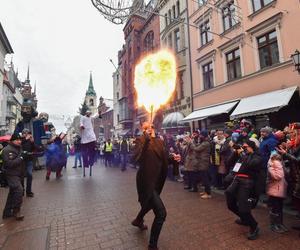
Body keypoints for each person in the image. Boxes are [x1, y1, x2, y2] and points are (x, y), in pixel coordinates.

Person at [131, 122, 180, 250]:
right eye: (147, 127)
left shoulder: (159, 142)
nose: (150, 129)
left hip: (156, 180)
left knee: (149, 204)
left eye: (152, 126)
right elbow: (135, 159)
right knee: (161, 213)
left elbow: (162, 159)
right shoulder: (139, 140)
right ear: (143, 130)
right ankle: (152, 246)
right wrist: (146, 141)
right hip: (146, 181)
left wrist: (173, 159)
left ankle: (138, 220)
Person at [225, 140, 263, 240]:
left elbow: (251, 164)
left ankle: (254, 226)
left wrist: (242, 153)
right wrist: (235, 152)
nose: (244, 149)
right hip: (236, 181)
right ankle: (245, 218)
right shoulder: (243, 155)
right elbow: (228, 163)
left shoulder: (257, 156)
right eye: (243, 147)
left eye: (246, 147)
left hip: (248, 183)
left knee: (244, 207)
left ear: (252, 147)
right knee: (230, 203)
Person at [2, 133, 26, 220]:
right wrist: (21, 158)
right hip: (11, 174)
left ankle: (7, 212)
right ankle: (16, 211)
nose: (19, 141)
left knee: (12, 193)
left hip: (18, 174)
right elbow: (9, 164)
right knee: (19, 190)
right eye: (17, 140)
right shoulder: (7, 150)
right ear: (12, 140)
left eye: (20, 140)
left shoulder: (18, 148)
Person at [266, 152, 288, 233]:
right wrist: (277, 165)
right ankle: (273, 225)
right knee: (275, 208)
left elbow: (286, 174)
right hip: (274, 190)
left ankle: (279, 223)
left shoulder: (278, 165)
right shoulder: (271, 166)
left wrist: (282, 165)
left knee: (280, 207)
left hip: (281, 190)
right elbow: (278, 176)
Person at [80, 109, 96, 177]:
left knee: (92, 152)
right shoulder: (83, 117)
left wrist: (99, 114)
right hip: (85, 139)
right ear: (86, 113)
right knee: (84, 153)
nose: (89, 114)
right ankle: (86, 163)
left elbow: (96, 116)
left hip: (91, 138)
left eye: (90, 113)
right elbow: (81, 123)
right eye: (88, 113)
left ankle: (91, 162)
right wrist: (81, 126)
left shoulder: (91, 118)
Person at [21, 129, 36, 197]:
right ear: (23, 134)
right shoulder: (20, 139)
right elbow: (20, 145)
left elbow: (34, 148)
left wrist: (32, 142)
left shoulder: (30, 140)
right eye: (26, 133)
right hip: (22, 161)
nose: (27, 135)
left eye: (28, 133)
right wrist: (26, 139)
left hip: (29, 160)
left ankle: (28, 191)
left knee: (29, 175)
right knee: (21, 176)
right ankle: (21, 191)